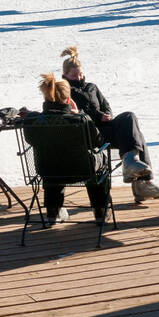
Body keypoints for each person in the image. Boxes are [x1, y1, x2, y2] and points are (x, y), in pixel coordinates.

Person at [60, 46, 159, 202]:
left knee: (131, 121)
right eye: (74, 75)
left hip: (105, 128)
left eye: (80, 73)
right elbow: (78, 113)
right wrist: (98, 116)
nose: (79, 77)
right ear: (65, 75)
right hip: (91, 133)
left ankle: (137, 171)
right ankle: (141, 183)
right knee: (137, 137)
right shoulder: (66, 91)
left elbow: (105, 105)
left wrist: (106, 115)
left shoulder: (92, 87)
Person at [33, 72, 109, 224]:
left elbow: (31, 139)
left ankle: (52, 212)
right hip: (80, 169)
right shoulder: (80, 120)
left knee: (53, 160)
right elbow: (99, 141)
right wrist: (79, 113)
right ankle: (100, 211)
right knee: (100, 160)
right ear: (68, 98)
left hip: (47, 170)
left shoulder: (34, 121)